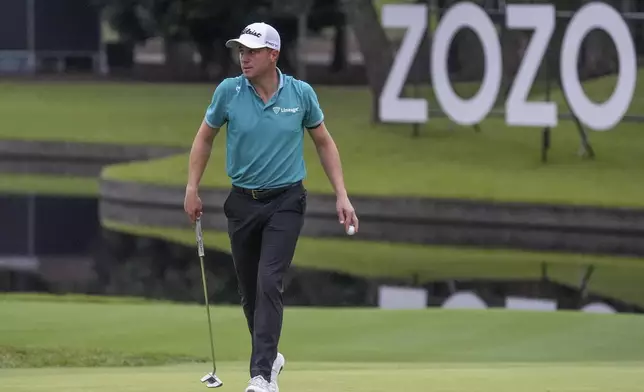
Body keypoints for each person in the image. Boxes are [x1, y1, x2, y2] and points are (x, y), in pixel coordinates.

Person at [183, 22, 359, 392]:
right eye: (241, 50)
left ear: (273, 55)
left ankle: (261, 375)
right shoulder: (229, 92)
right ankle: (272, 356)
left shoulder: (300, 94)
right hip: (242, 203)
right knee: (249, 292)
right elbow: (204, 138)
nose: (244, 57)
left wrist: (342, 194)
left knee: (269, 283)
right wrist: (192, 187)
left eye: (252, 51)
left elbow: (324, 143)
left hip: (286, 202)